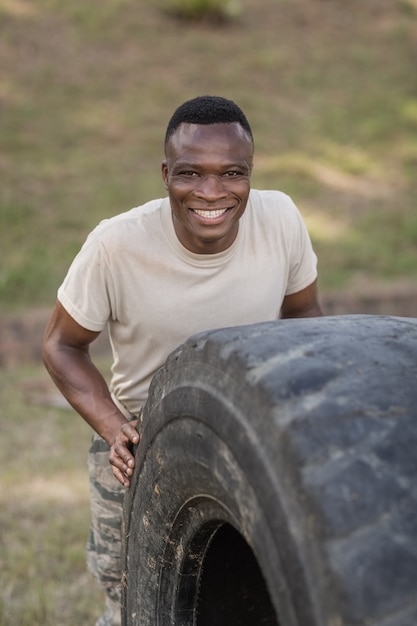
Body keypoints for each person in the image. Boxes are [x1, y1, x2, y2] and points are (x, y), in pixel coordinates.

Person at [42, 95, 323, 626]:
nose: (212, 192)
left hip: (248, 438)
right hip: (143, 446)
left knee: (249, 595)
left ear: (250, 174)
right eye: (191, 173)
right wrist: (112, 426)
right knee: (136, 601)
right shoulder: (115, 245)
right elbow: (60, 344)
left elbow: (305, 315)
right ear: (166, 173)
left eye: (232, 174)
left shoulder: (281, 217)